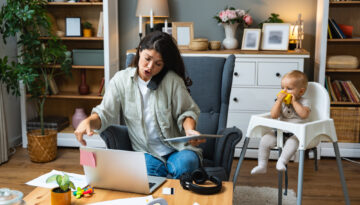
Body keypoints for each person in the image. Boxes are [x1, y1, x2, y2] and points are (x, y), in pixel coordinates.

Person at [74, 31, 205, 179]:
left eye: (158, 64)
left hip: (177, 150)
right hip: (145, 152)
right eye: (147, 59)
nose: (150, 67)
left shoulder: (172, 81)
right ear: (140, 50)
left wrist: (189, 131)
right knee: (148, 172)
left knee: (187, 164)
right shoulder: (121, 80)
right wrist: (89, 121)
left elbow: (187, 112)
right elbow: (105, 113)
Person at [251, 70, 311, 174]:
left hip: (296, 134)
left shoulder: (305, 101)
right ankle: (262, 165)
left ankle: (282, 161)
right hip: (280, 132)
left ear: (301, 91)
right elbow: (274, 115)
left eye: (289, 89)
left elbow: (304, 115)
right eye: (282, 88)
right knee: (265, 139)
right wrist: (278, 101)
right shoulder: (281, 102)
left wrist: (294, 102)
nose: (284, 91)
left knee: (292, 143)